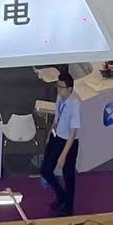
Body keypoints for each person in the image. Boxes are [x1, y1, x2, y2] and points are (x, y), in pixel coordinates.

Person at [42, 70, 80, 216]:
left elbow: (72, 134)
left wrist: (63, 156)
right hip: (56, 137)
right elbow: (57, 117)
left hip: (69, 143)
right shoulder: (60, 97)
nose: (58, 89)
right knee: (45, 170)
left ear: (69, 89)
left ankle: (68, 207)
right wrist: (50, 134)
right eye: (57, 86)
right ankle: (61, 195)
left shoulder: (75, 105)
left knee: (68, 175)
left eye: (61, 87)